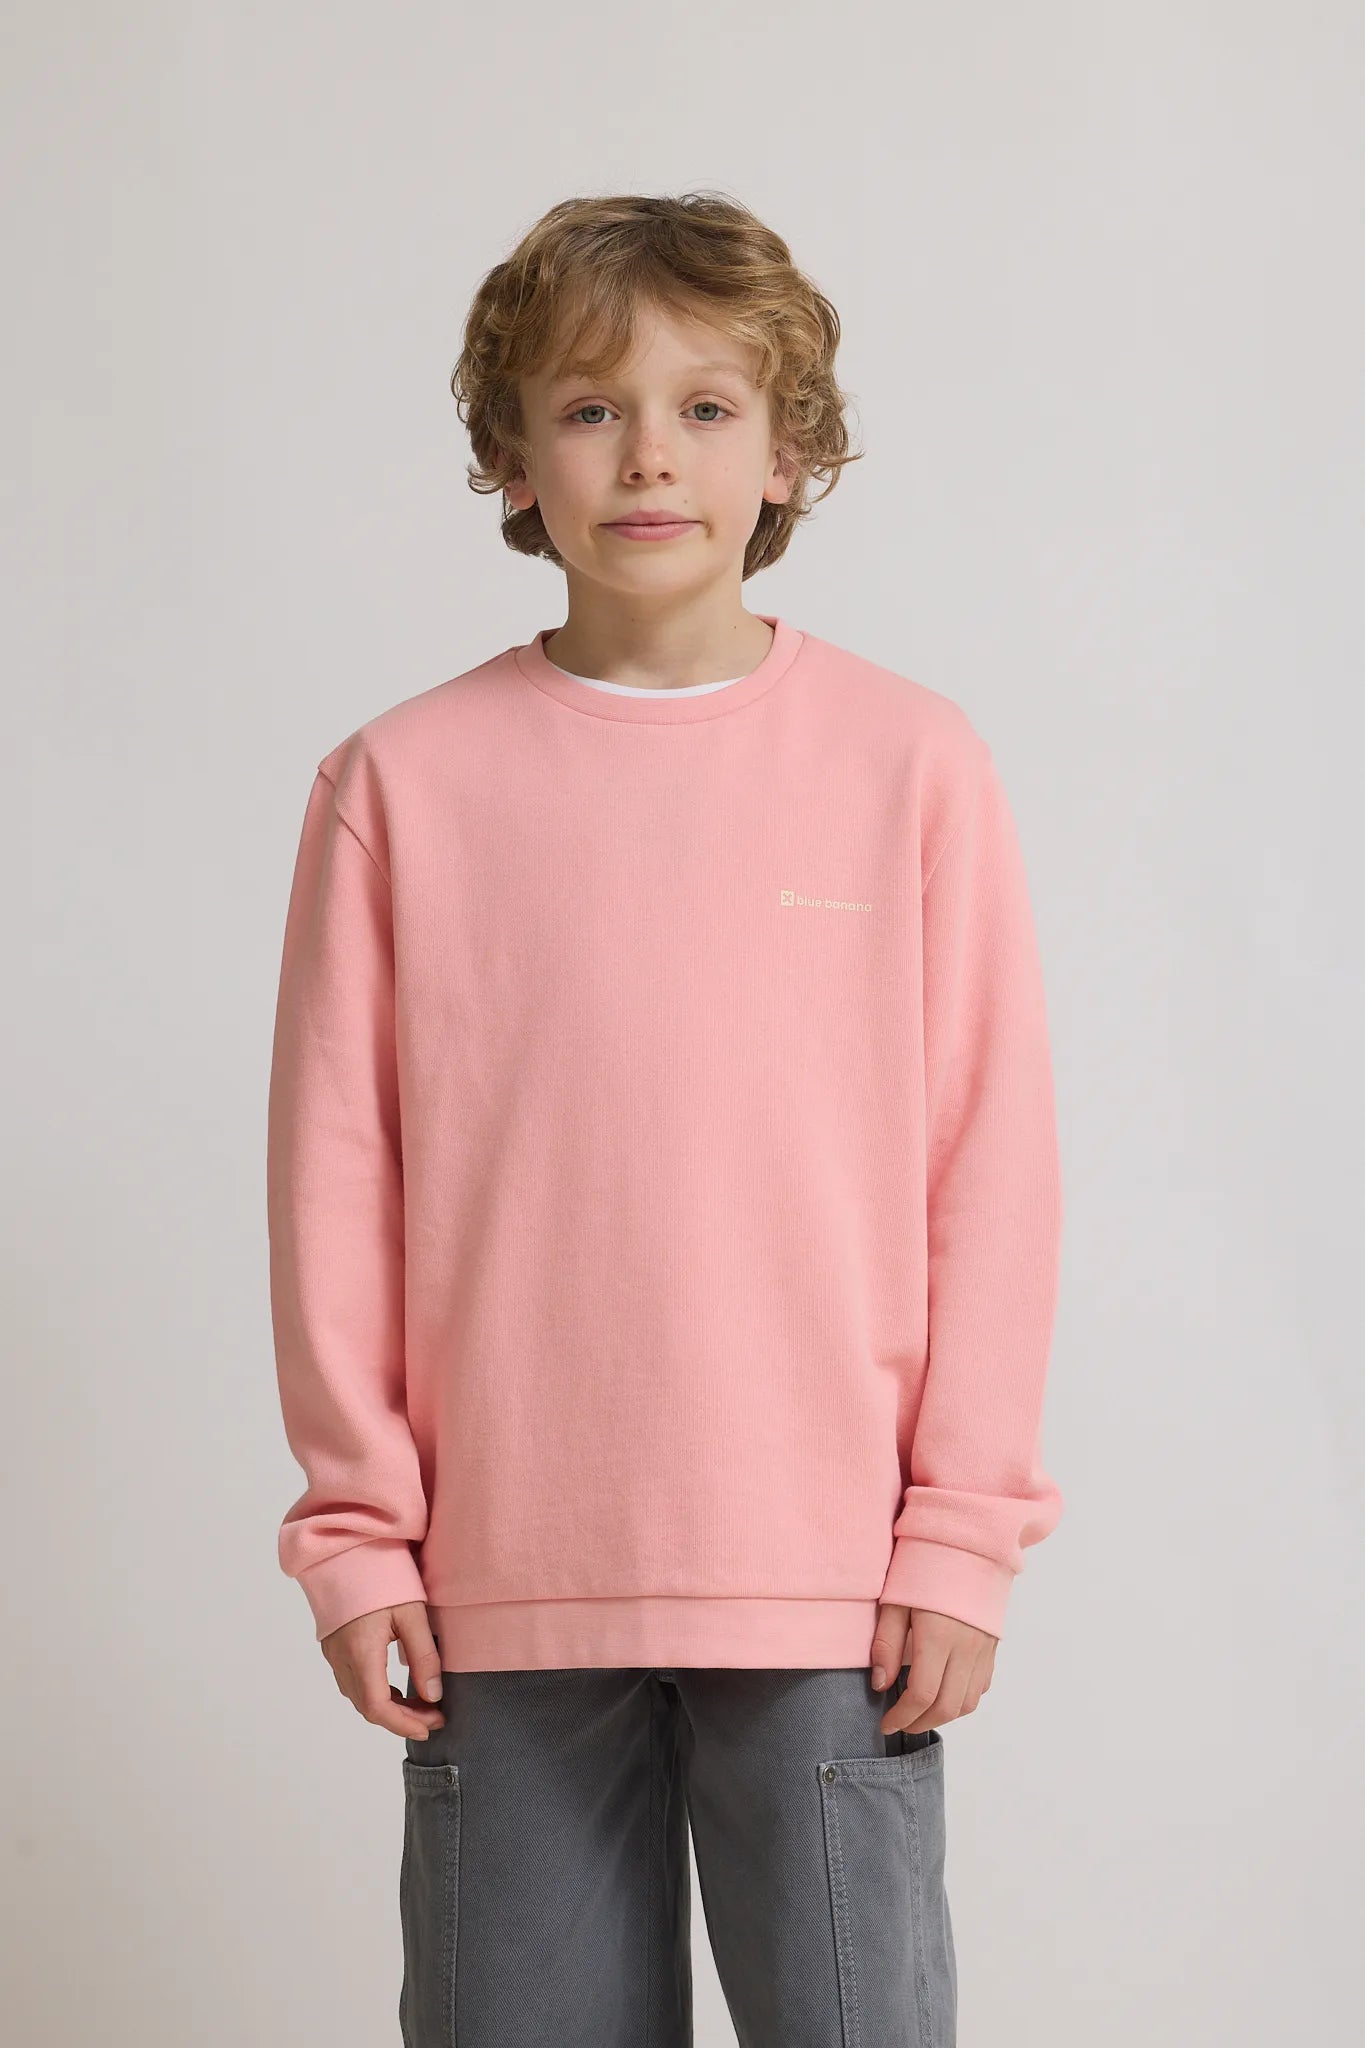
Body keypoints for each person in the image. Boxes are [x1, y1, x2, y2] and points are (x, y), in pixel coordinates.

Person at [266, 189, 1065, 2047]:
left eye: (707, 409)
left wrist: (957, 1533)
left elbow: (989, 1170)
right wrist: (358, 1537)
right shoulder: (400, 784)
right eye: (588, 408)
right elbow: (335, 1183)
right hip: (500, 1584)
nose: (648, 457)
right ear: (509, 454)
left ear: (789, 451)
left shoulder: (910, 763)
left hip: (829, 1586)